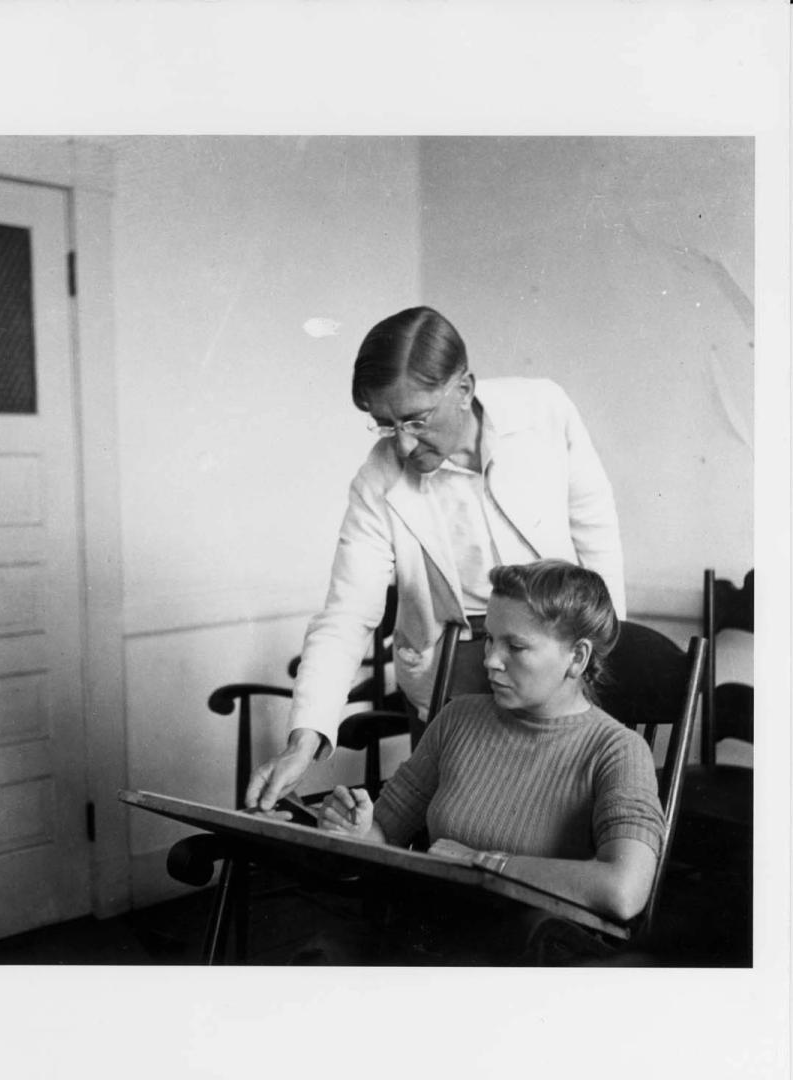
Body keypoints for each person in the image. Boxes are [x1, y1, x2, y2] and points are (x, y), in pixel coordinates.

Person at [246, 306, 626, 812]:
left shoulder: (544, 410)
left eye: (416, 420)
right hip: (449, 670)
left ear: (464, 389)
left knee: (549, 822)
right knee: (450, 823)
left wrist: (607, 649)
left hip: (552, 662)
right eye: (384, 424)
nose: (402, 444)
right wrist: (303, 741)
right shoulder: (377, 481)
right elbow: (346, 614)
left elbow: (595, 527)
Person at [313, 560, 664, 964]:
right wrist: (357, 831)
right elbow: (384, 835)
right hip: (431, 939)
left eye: (515, 647)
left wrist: (481, 864)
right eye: (488, 640)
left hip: (532, 964)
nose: (491, 660)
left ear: (577, 657)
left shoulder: (617, 751)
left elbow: (624, 891)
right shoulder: (458, 719)